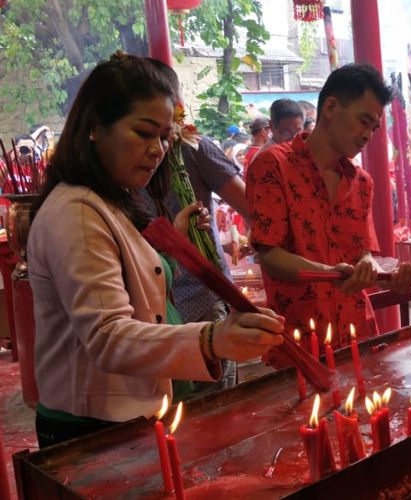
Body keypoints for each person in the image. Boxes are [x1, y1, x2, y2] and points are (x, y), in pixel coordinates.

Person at [27, 53, 284, 448]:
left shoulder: (108, 203)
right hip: (91, 427)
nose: (157, 149)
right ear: (96, 126)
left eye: (165, 136)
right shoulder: (77, 212)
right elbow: (107, 335)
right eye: (143, 132)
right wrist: (210, 340)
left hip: (126, 413)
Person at [246, 63, 411, 355]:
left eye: (374, 127)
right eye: (363, 121)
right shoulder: (273, 165)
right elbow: (270, 255)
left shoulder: (361, 182)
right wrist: (331, 274)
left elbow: (362, 253)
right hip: (301, 341)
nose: (368, 135)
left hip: (358, 333)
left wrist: (382, 274)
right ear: (331, 107)